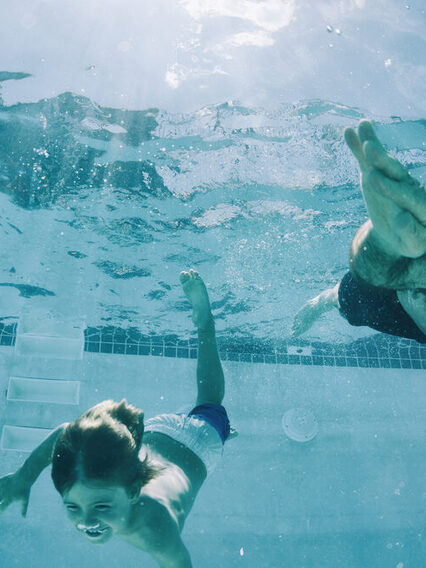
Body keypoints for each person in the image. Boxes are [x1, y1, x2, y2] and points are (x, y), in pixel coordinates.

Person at [0, 269, 231, 567]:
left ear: (134, 492)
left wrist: (26, 476)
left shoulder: (154, 531)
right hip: (156, 434)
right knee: (196, 409)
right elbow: (64, 434)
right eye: (72, 506)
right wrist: (24, 477)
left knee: (210, 402)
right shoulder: (116, 487)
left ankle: (205, 322)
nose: (87, 520)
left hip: (199, 443)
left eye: (102, 505)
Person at [291, 120, 426, 343]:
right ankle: (388, 240)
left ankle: (387, 241)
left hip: (395, 306)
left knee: (355, 290)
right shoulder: (372, 300)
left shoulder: (373, 305)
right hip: (394, 298)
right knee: (349, 290)